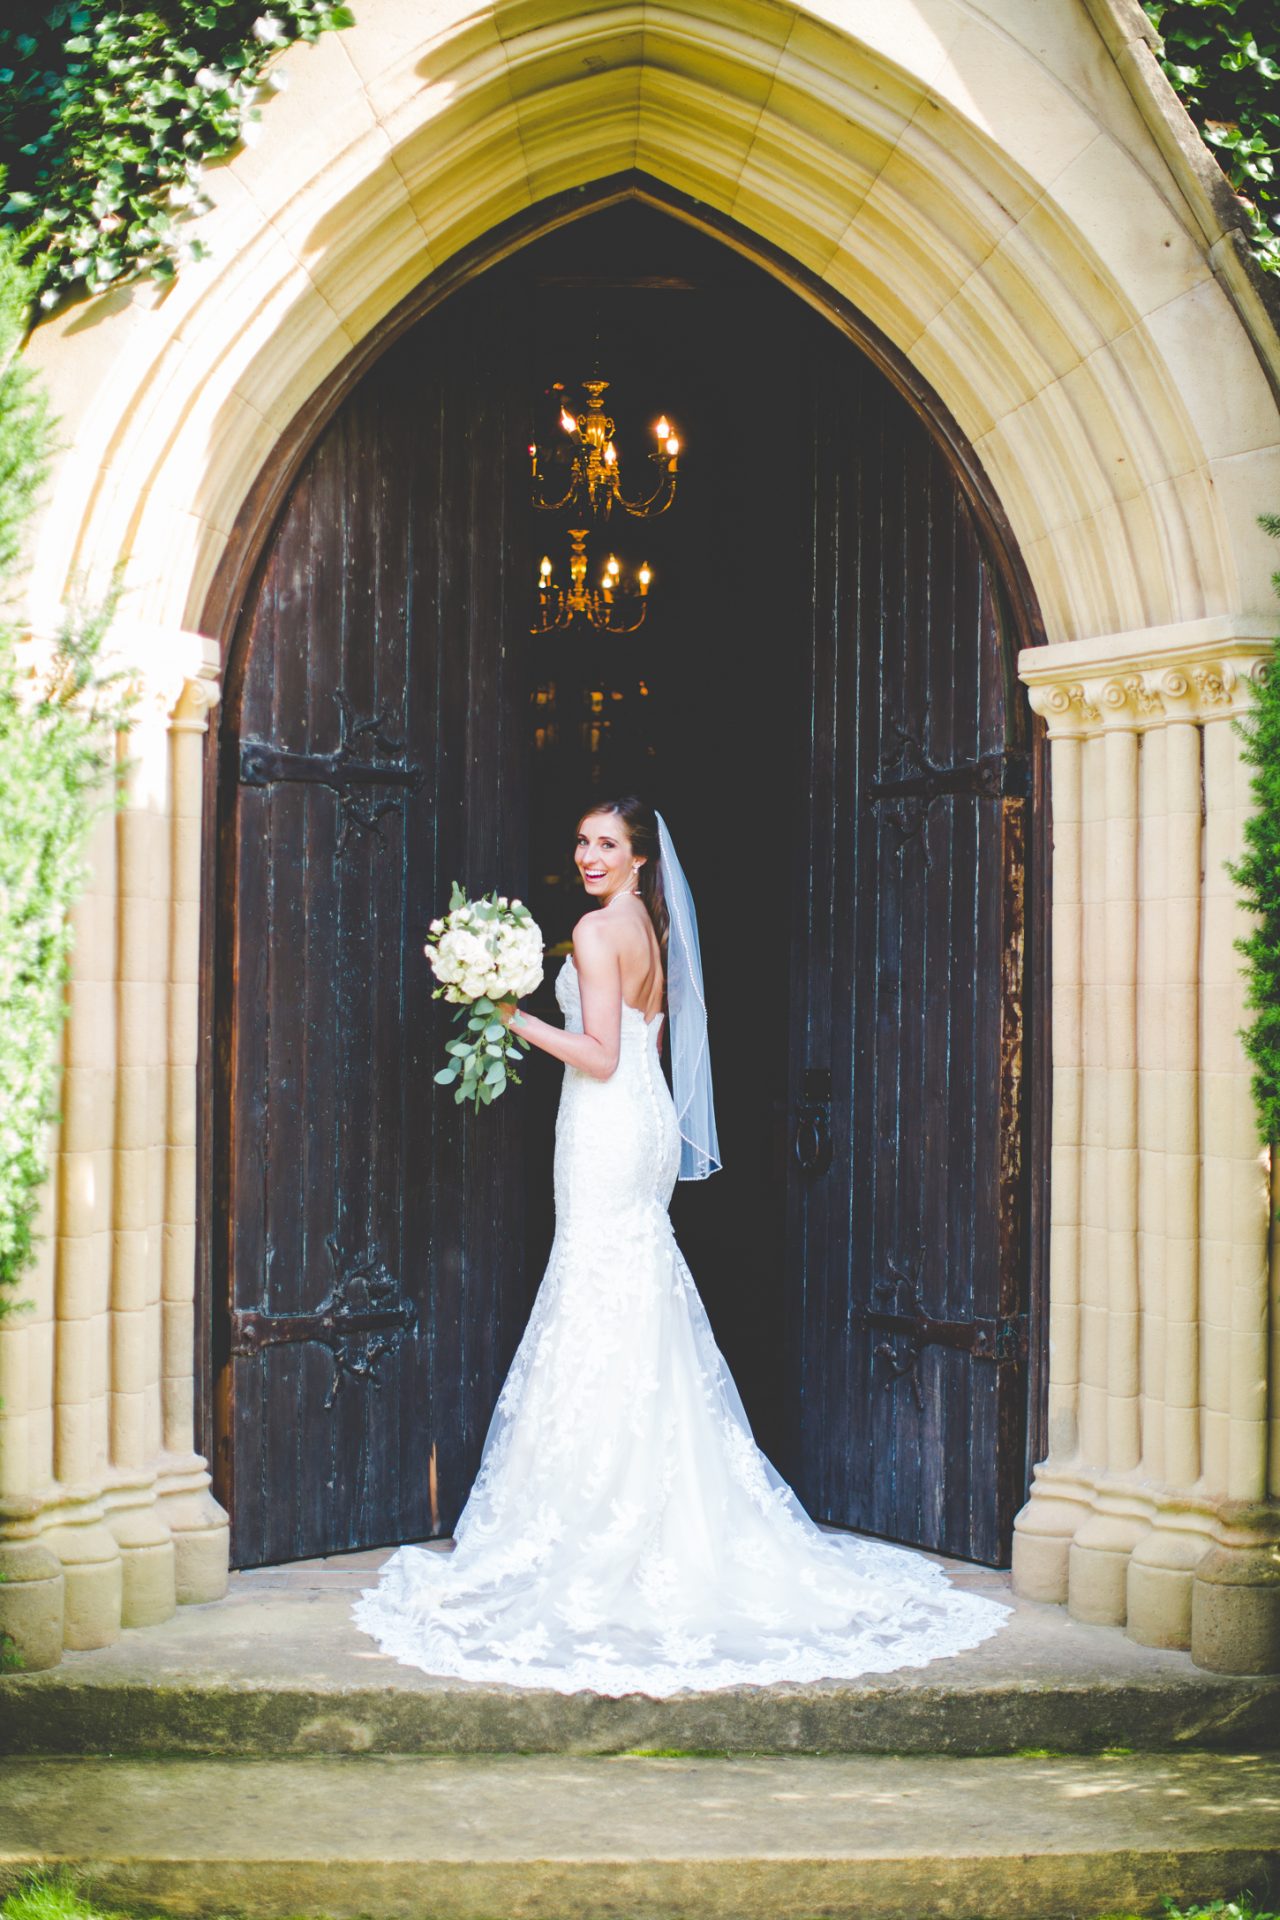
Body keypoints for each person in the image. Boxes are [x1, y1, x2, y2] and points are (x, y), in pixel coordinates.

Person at [353, 797, 1008, 1693]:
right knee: (631, 1287)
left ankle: (601, 1513)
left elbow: (600, 1055)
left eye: (607, 844)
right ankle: (653, 1497)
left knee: (596, 1284)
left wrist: (506, 1012)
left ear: (639, 858)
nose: (588, 854)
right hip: (646, 1128)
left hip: (606, 1124)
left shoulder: (593, 931)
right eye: (581, 840)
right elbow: (639, 1047)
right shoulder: (648, 932)